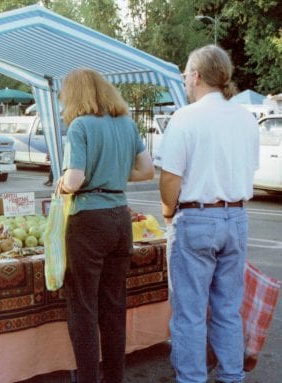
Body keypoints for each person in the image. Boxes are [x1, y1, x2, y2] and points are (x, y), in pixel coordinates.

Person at [159, 45, 259, 383]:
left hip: (197, 218)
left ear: (197, 75)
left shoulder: (186, 117)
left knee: (189, 313)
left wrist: (168, 213)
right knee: (227, 309)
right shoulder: (246, 117)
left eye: (186, 73)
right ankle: (232, 376)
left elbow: (170, 177)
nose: (184, 79)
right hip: (237, 217)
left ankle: (192, 378)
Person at [58, 68, 154, 383]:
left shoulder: (79, 126)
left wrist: (61, 184)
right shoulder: (126, 123)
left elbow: (75, 179)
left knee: (83, 307)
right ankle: (114, 378)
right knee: (113, 305)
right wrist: (113, 174)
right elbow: (146, 170)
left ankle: (87, 378)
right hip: (120, 218)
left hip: (88, 220)